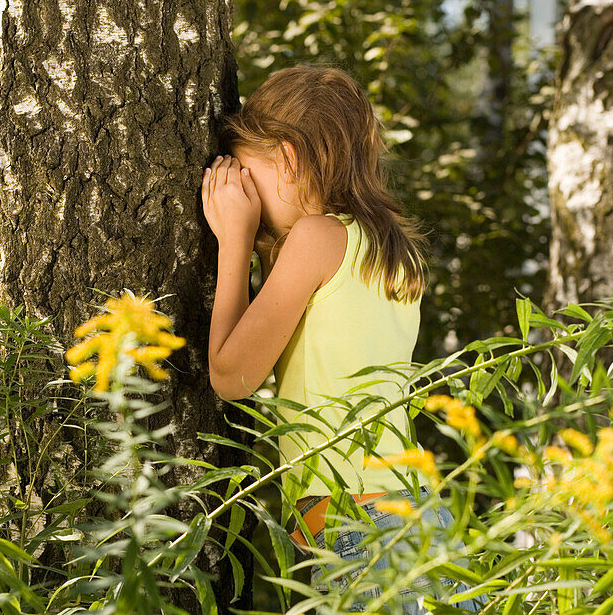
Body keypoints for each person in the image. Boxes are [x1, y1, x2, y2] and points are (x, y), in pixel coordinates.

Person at [201, 65, 480, 612]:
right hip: (415, 510)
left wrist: (233, 240)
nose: (246, 200)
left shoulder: (316, 238)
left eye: (248, 181)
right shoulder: (390, 250)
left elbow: (231, 376)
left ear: (288, 158)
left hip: (359, 527)